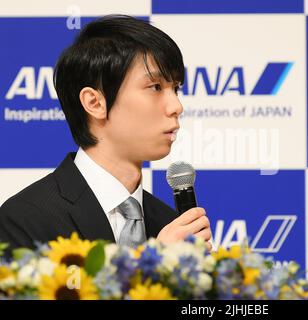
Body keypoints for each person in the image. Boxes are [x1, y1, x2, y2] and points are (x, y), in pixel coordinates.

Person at [0, 15, 212, 252]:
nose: (176, 107)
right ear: (95, 102)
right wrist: (157, 264)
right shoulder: (25, 219)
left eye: (175, 88)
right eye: (155, 87)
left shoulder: (168, 222)